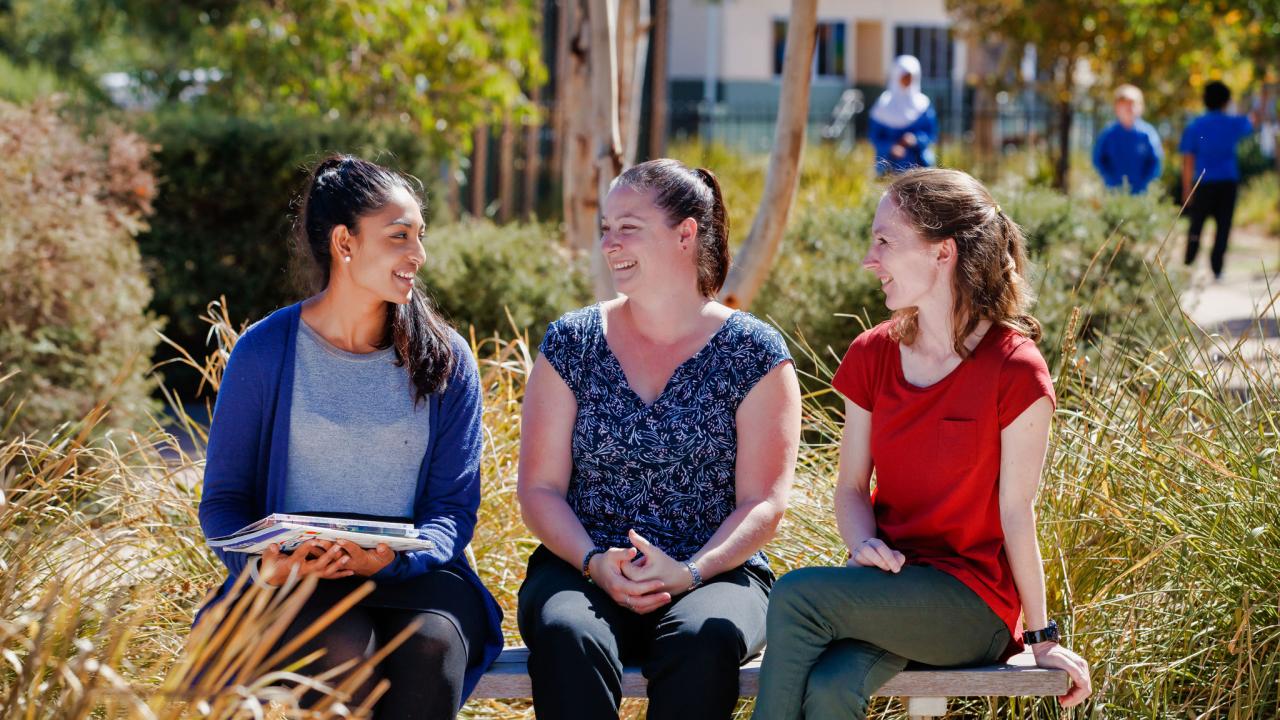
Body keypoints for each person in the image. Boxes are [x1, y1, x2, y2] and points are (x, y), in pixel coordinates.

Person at [752, 168, 1093, 719]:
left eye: (885, 240)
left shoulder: (1015, 368)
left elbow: (1017, 512)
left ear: (943, 253)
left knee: (796, 596)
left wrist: (1043, 637)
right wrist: (863, 544)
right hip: (891, 590)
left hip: (972, 603)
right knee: (833, 686)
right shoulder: (872, 355)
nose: (871, 258)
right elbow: (850, 489)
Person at [197, 155, 503, 719]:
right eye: (399, 236)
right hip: (300, 581)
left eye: (420, 236)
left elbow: (452, 511)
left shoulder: (446, 359)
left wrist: (389, 559)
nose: (419, 255)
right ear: (344, 242)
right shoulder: (266, 351)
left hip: (419, 577)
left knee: (430, 649)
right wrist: (268, 567)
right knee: (348, 655)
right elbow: (223, 503)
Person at [516, 158, 802, 720]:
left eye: (628, 228)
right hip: (582, 566)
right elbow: (540, 489)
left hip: (716, 573)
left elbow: (763, 503)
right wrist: (596, 562)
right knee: (567, 632)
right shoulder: (571, 343)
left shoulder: (755, 353)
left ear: (685, 234)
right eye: (605, 228)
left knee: (702, 639)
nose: (610, 243)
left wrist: (690, 571)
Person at [1180, 80, 1255, 280]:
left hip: (1202, 183)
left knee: (1196, 225)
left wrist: (1187, 189)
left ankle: (1188, 264)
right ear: (1226, 101)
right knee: (1223, 227)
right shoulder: (1232, 122)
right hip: (1227, 183)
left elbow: (1188, 159)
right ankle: (1217, 268)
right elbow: (1252, 120)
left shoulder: (1195, 125)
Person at [868, 55, 938, 175]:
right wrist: (891, 148)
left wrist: (916, 140)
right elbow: (874, 136)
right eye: (904, 77)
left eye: (910, 77)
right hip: (890, 165)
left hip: (918, 165)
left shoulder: (923, 104)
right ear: (896, 76)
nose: (907, 81)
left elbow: (931, 134)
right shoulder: (883, 105)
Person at [1092, 84, 1163, 194]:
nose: (1129, 107)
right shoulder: (1108, 134)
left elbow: (1155, 162)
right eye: (1124, 103)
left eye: (1133, 103)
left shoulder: (1147, 134)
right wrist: (1110, 181)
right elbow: (1098, 160)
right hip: (1113, 193)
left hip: (1141, 194)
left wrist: (1145, 185)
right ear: (1116, 107)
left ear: (1141, 107)